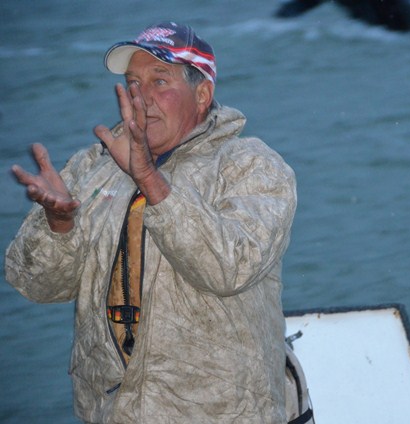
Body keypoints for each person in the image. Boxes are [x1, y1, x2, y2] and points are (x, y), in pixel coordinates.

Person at [5, 21, 298, 423]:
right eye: (133, 83)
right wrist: (59, 223)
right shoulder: (94, 166)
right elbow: (36, 286)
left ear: (202, 95)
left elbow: (229, 268)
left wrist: (148, 178)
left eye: (160, 81)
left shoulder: (252, 165)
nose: (141, 97)